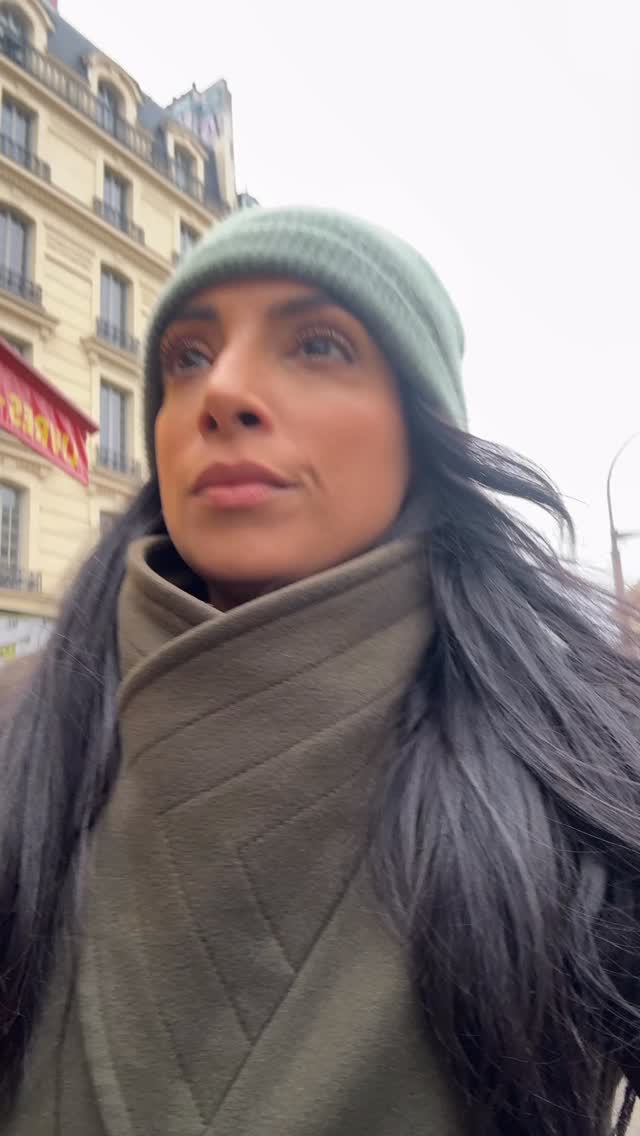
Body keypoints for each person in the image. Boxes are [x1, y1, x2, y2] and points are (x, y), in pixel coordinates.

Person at [0, 205, 639, 1136]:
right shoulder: (19, 738)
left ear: (421, 428)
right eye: (187, 357)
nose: (222, 391)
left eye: (318, 345)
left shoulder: (577, 777)